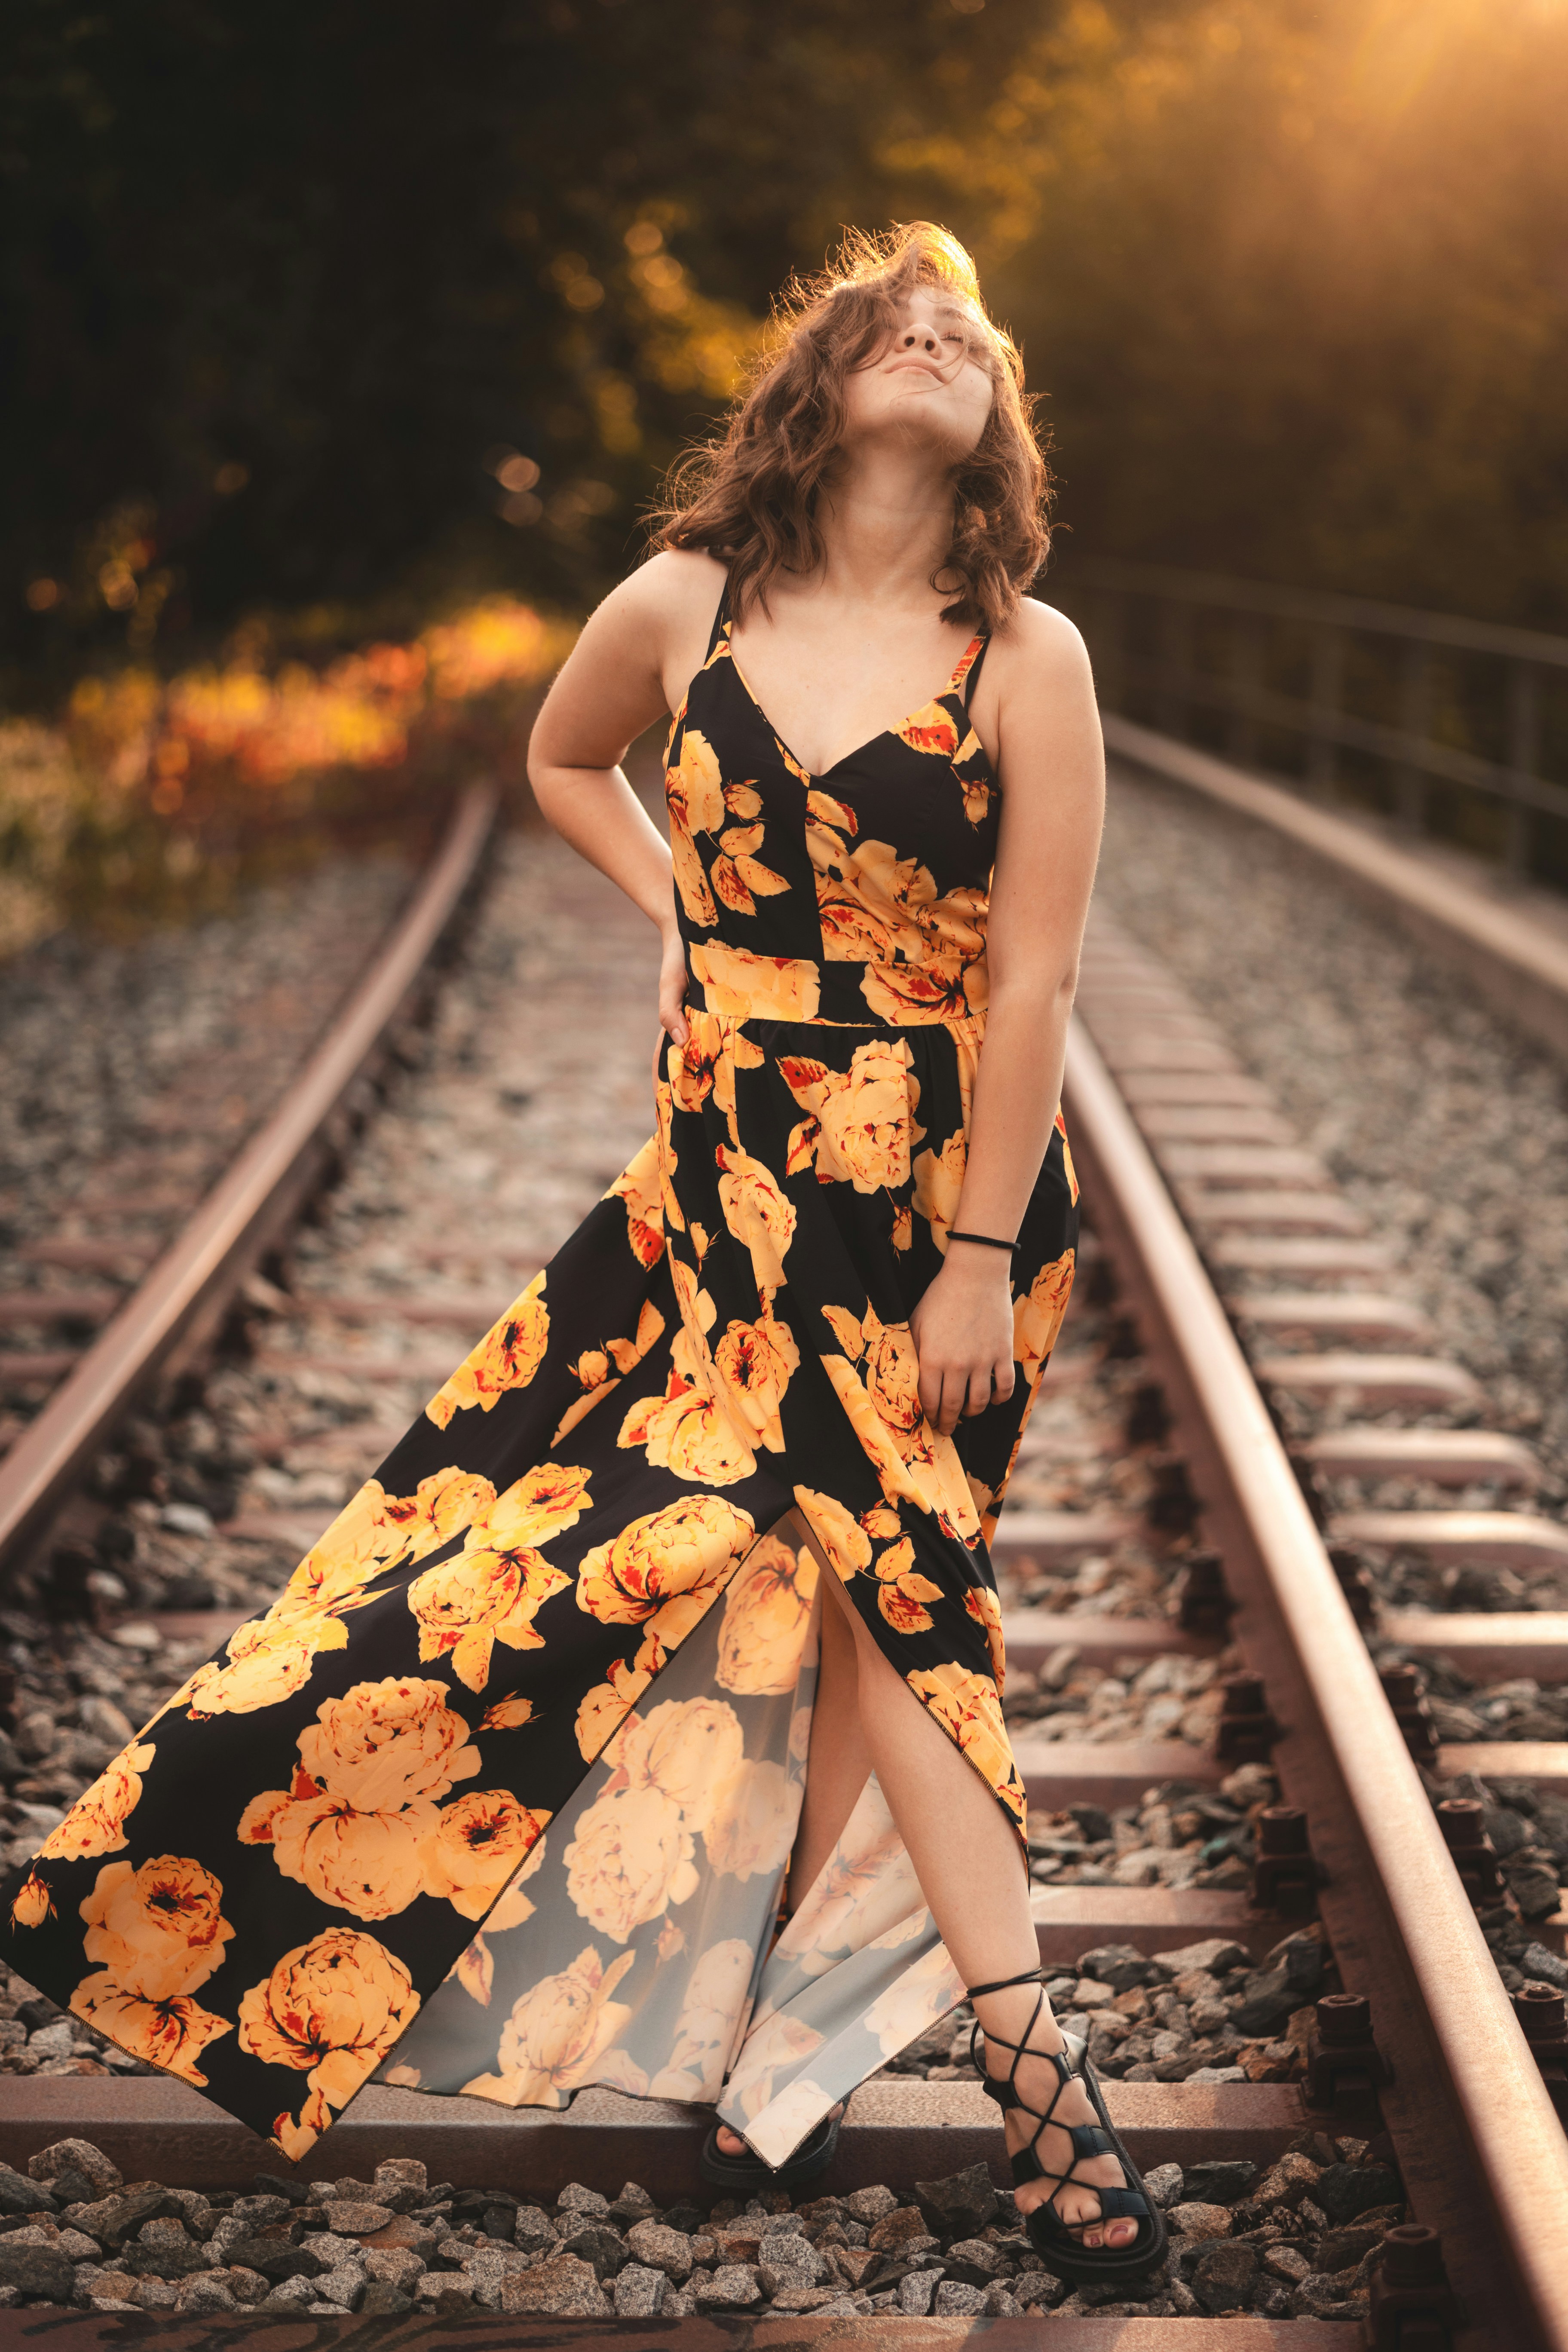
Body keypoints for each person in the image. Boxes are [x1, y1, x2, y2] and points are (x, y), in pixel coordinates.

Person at [0, 222, 1160, 2292]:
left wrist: (981, 1248)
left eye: (966, 335)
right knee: (556, 1546)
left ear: (994, 425)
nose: (934, 339)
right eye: (892, 322)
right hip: (720, 1184)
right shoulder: (680, 603)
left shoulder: (1031, 657)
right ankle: (820, 2052)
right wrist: (682, 919)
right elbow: (558, 759)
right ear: (816, 388)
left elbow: (1041, 984)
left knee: (886, 1599)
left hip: (927, 1206)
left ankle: (1019, 2069)